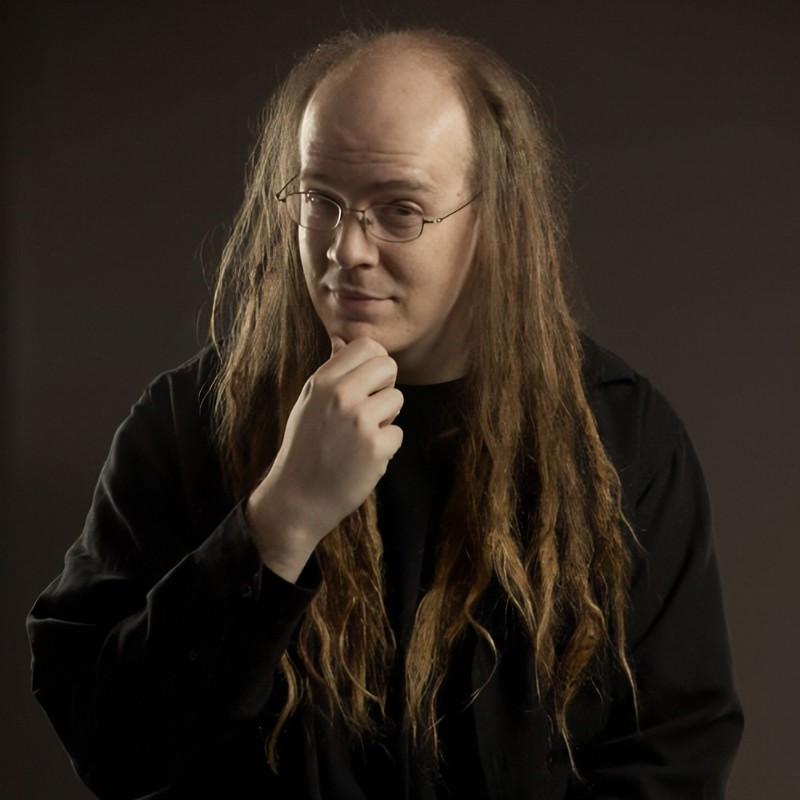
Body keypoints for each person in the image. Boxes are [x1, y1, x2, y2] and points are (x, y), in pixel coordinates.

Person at [27, 28, 742, 799]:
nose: (346, 251)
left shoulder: (622, 440)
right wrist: (279, 522)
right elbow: (110, 744)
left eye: (399, 210)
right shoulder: (187, 423)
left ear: (492, 219)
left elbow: (672, 756)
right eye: (320, 202)